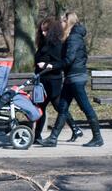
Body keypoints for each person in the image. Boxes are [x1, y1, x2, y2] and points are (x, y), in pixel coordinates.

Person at [41, 11, 103, 147]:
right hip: (71, 78)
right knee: (63, 108)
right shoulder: (71, 37)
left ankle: (98, 138)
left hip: (76, 78)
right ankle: (53, 138)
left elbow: (69, 60)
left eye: (63, 20)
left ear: (68, 22)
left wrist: (51, 65)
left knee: (85, 107)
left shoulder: (73, 38)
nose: (61, 23)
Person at [33, 16, 83, 144]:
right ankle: (75, 129)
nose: (43, 33)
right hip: (43, 80)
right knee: (47, 107)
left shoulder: (56, 45)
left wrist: (44, 65)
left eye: (46, 31)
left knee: (50, 107)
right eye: (42, 30)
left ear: (52, 31)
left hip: (52, 81)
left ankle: (38, 136)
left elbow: (58, 64)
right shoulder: (43, 43)